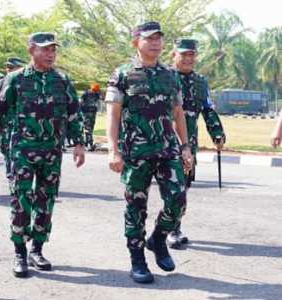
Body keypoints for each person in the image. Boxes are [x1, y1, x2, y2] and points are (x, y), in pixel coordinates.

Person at [0, 32, 85, 278]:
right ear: (31, 51)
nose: (50, 54)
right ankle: (19, 250)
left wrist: (78, 144)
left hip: (51, 150)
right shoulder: (15, 80)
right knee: (21, 200)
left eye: (53, 50)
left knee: (46, 200)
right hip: (22, 151)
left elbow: (73, 113)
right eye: (45, 49)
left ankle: (37, 249)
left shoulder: (62, 80)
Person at [105, 21, 192, 284]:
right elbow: (113, 115)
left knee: (178, 200)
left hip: (167, 150)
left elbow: (178, 113)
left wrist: (186, 146)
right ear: (136, 42)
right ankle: (137, 260)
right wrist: (113, 150)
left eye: (158, 38)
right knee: (136, 207)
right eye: (149, 38)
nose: (155, 42)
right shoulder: (122, 74)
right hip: (135, 153)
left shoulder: (170, 75)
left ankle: (158, 238)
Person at [167, 38, 226, 249]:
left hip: (188, 146)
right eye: (183, 54)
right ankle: (164, 229)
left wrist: (217, 133)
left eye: (191, 55)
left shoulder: (200, 82)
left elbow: (208, 109)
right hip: (162, 143)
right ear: (174, 54)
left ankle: (173, 227)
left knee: (182, 188)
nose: (188, 59)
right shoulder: (164, 77)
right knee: (172, 189)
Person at [0, 57, 26, 195]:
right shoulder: (0, 83)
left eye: (12, 67)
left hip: (24, 126)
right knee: (8, 153)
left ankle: (20, 179)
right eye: (8, 67)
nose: (8, 70)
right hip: (6, 125)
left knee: (22, 154)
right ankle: (12, 178)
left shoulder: (28, 81)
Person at [80, 83, 101, 151]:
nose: (94, 92)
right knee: (88, 128)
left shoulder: (96, 94)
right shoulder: (85, 94)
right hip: (86, 113)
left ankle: (87, 143)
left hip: (92, 113)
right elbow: (81, 102)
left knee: (90, 128)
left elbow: (98, 102)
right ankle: (89, 144)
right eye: (94, 90)